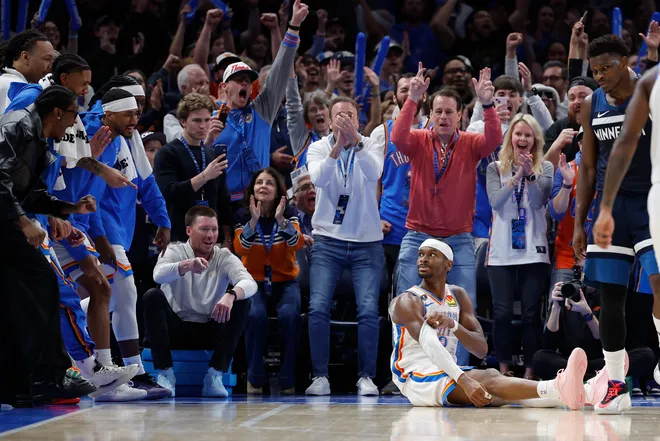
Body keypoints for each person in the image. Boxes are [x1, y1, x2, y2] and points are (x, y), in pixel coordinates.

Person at [390, 63, 502, 366]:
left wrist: (488, 105)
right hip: (419, 236)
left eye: (449, 112)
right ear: (431, 114)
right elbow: (397, 138)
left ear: (460, 116)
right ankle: (407, 368)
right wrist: (412, 98)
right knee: (406, 305)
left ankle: (460, 369)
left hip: (458, 239)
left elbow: (494, 140)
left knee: (465, 308)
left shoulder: (470, 142)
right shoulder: (417, 138)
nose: (443, 117)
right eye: (438, 111)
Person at [389, 238, 587, 409]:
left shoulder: (457, 295)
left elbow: (481, 350)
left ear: (448, 264)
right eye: (421, 254)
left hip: (446, 369)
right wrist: (464, 380)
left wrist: (454, 325)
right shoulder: (408, 301)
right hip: (415, 375)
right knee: (488, 381)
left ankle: (584, 394)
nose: (423, 259)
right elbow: (430, 345)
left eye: (432, 255)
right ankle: (560, 385)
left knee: (499, 390)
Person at [574, 34, 657, 414]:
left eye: (606, 67)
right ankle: (614, 382)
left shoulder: (649, 91)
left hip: (651, 200)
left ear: (627, 61)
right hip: (612, 208)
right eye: (594, 70)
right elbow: (589, 168)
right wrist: (580, 222)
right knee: (610, 297)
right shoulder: (592, 103)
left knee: (658, 283)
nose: (600, 75)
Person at [0, 86, 98, 407]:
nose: (74, 124)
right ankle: (49, 373)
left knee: (25, 296)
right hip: (5, 222)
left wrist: (71, 208)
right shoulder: (15, 124)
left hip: (6, 220)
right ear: (57, 113)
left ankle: (23, 383)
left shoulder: (42, 142)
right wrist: (23, 222)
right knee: (42, 282)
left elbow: (33, 194)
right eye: (73, 116)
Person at [92, 89, 172, 401]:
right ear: (108, 112)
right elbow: (89, 197)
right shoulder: (97, 138)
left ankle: (117, 371)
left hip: (116, 232)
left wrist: (163, 219)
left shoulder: (131, 137)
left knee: (103, 297)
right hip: (97, 231)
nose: (135, 118)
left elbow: (147, 184)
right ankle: (115, 370)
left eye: (138, 111)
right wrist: (100, 240)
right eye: (129, 112)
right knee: (122, 291)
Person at [305, 96, 385, 396]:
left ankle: (366, 377)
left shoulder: (372, 143)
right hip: (328, 240)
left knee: (367, 310)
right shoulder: (319, 147)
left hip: (367, 243)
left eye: (349, 115)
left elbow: (373, 172)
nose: (344, 120)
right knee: (317, 307)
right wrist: (338, 147)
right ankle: (320, 377)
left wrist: (355, 143)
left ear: (358, 119)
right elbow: (319, 179)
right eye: (339, 116)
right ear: (329, 119)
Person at [145, 206, 256, 397]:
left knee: (243, 300)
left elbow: (250, 283)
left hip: (210, 327)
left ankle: (215, 375)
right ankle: (165, 374)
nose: (211, 235)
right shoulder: (174, 250)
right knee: (151, 296)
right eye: (204, 229)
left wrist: (231, 295)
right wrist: (187, 265)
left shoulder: (224, 256)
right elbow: (158, 275)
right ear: (189, 230)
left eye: (214, 229)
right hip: (176, 329)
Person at [213, 0, 309, 207]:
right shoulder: (210, 119)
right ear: (224, 87)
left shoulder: (261, 111)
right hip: (223, 203)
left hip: (259, 200)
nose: (245, 84)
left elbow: (281, 69)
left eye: (248, 81)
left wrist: (293, 25)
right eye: (239, 80)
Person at [486, 114, 554, 378]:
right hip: (501, 253)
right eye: (518, 134)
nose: (523, 139)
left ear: (535, 140)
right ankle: (502, 370)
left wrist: (530, 177)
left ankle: (529, 372)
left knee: (530, 315)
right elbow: (496, 202)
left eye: (528, 135)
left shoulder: (545, 168)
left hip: (534, 253)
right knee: (501, 314)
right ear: (510, 138)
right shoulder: (495, 168)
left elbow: (538, 203)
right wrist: (516, 176)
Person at [234, 168, 304, 394]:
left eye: (270, 183)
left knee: (290, 316)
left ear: (278, 191)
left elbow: (296, 244)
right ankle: (255, 378)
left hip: (285, 282)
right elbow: (240, 248)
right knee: (255, 316)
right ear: (252, 189)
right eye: (259, 183)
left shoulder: (289, 213)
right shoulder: (243, 215)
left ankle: (288, 380)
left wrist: (281, 221)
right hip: (252, 282)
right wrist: (253, 223)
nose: (263, 186)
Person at [534, 281, 654, 390]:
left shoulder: (608, 296)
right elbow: (548, 344)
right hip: (572, 360)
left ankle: (581, 377)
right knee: (539, 358)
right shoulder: (567, 293)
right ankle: (595, 377)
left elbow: (606, 339)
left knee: (646, 355)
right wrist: (555, 307)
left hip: (604, 359)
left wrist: (587, 313)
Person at [370, 73, 430, 291]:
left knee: (422, 297)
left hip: (426, 228)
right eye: (403, 89)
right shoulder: (382, 132)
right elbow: (372, 182)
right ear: (394, 96)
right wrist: (373, 218)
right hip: (390, 225)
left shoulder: (436, 130)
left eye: (413, 88)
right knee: (389, 297)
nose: (408, 93)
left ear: (424, 94)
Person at [154, 93, 233, 245]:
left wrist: (227, 238)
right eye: (196, 120)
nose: (203, 126)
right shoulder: (167, 153)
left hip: (211, 239)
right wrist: (204, 176)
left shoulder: (211, 153)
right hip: (179, 237)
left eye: (207, 120)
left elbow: (223, 199)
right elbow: (169, 192)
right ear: (183, 122)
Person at [543, 77, 598, 168]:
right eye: (572, 98)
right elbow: (542, 173)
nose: (577, 102)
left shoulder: (604, 126)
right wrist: (556, 146)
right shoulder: (558, 128)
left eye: (583, 96)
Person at [0, 29, 55, 112]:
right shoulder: (22, 90)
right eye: (47, 59)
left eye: (53, 60)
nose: (51, 66)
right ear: (25, 57)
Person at [286, 84, 331, 172]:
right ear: (307, 117)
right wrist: (289, 74)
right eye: (313, 110)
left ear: (329, 111)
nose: (318, 113)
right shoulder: (302, 139)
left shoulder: (340, 140)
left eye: (322, 108)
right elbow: (293, 106)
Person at [163, 64, 211, 142]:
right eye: (200, 83)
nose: (205, 87)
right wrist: (195, 105)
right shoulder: (172, 117)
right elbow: (177, 141)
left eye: (207, 83)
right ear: (184, 88)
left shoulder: (217, 110)